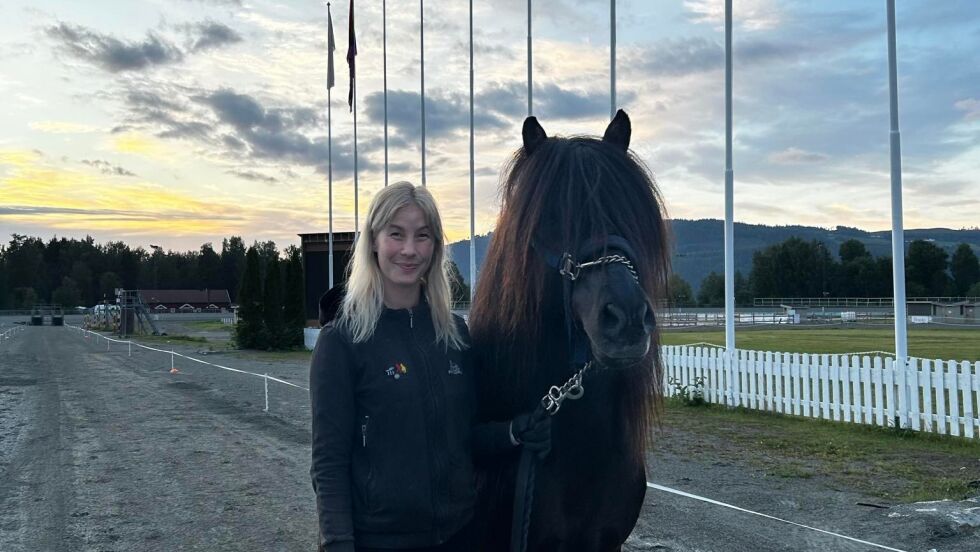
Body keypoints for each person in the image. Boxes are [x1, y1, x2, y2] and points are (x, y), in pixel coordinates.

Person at [310, 181, 549, 552]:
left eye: (422, 236)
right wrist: (337, 543)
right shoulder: (342, 342)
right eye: (396, 234)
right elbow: (328, 462)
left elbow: (465, 438)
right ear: (373, 241)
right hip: (381, 542)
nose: (409, 250)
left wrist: (514, 433)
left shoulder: (453, 333)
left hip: (461, 535)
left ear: (436, 247)